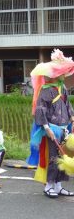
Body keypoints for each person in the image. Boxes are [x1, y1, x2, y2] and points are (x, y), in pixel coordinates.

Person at [28, 49, 74, 198]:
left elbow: (68, 105)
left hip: (64, 127)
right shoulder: (46, 90)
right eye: (61, 72)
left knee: (63, 156)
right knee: (53, 157)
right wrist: (47, 128)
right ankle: (48, 185)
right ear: (55, 75)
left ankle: (59, 186)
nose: (64, 75)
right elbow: (41, 111)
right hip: (52, 128)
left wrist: (72, 118)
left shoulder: (63, 88)